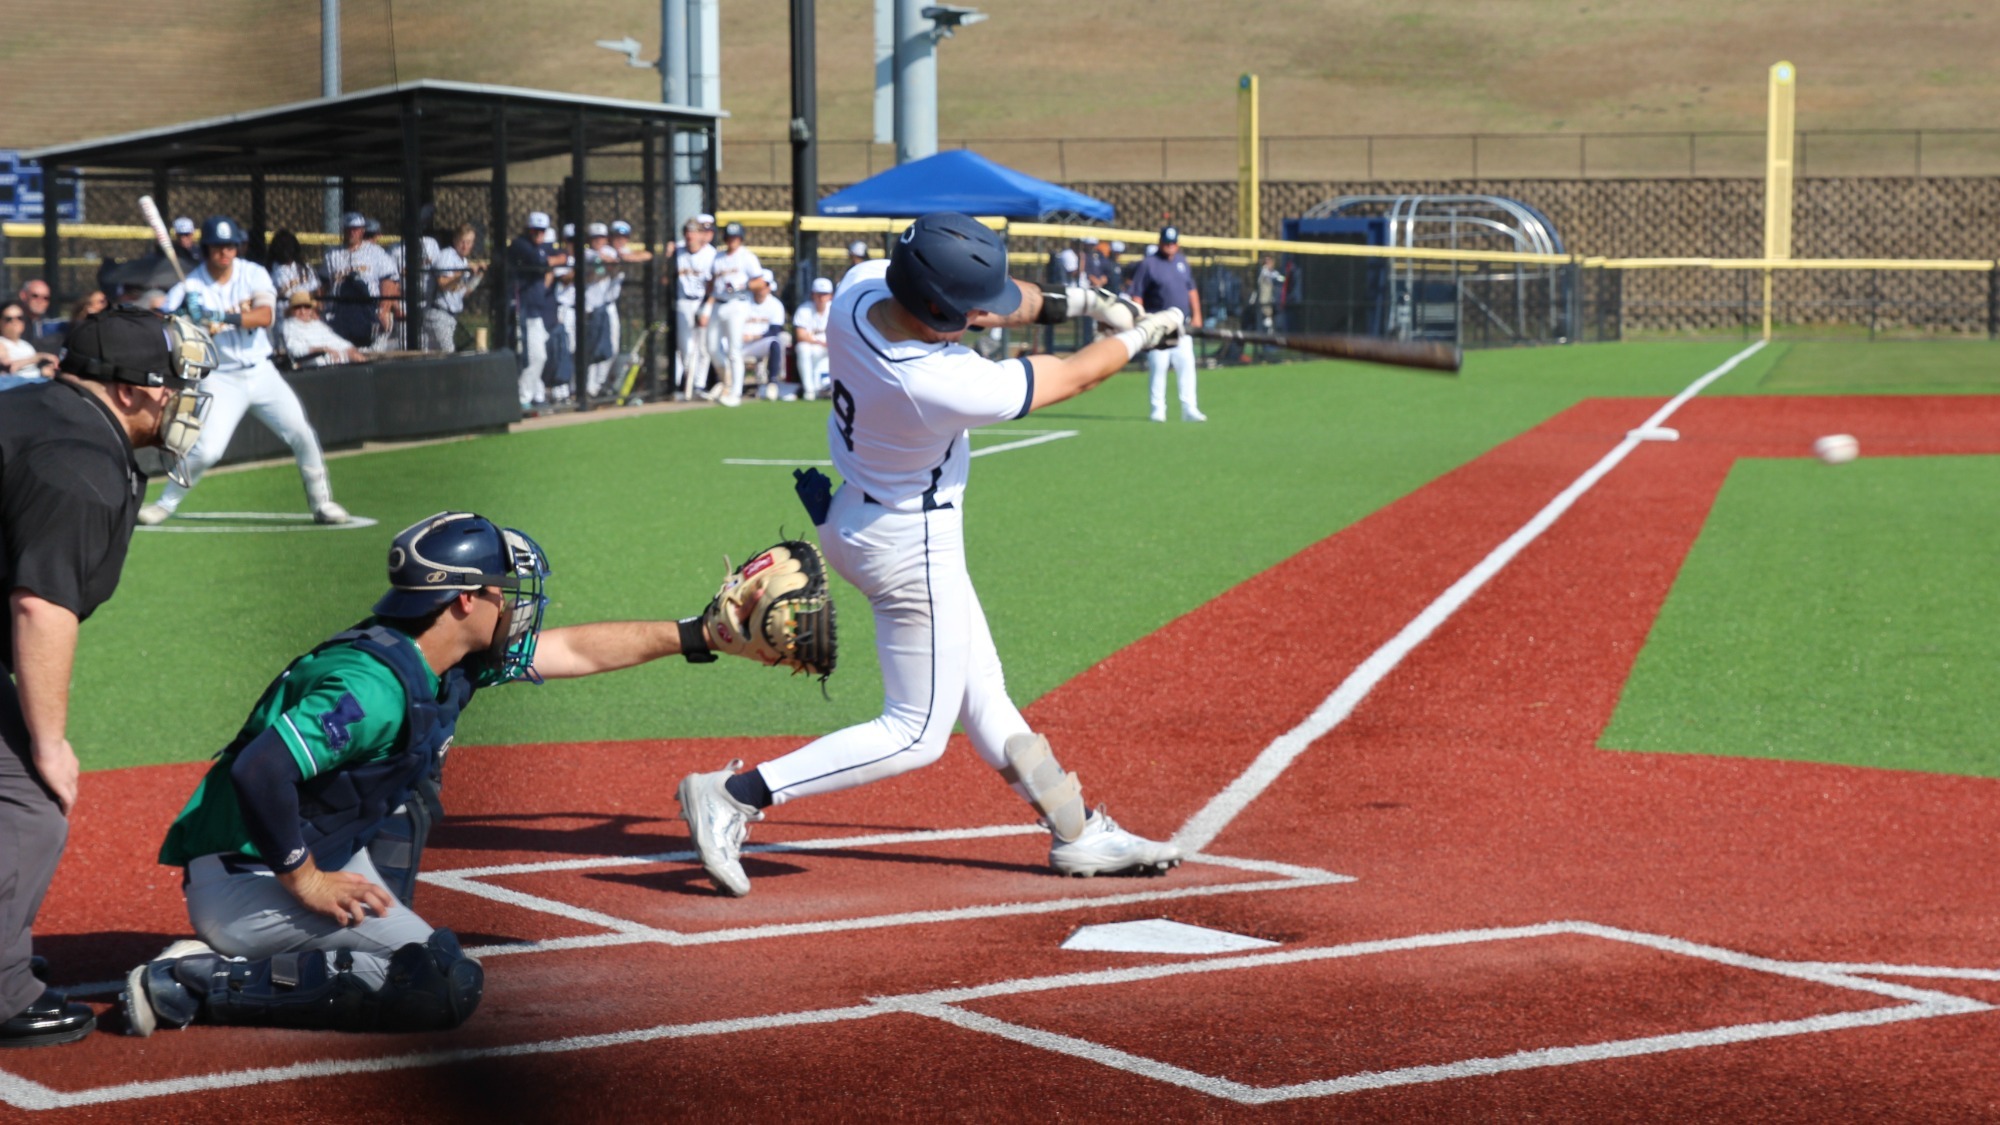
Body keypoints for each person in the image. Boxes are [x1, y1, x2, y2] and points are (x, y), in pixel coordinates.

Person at [119, 510, 802, 1036]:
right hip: (252, 877)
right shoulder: (375, 687)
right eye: (501, 589)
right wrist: (305, 877)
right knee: (439, 980)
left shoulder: (443, 658)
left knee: (412, 796)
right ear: (462, 602)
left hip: (292, 851)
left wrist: (698, 633)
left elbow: (576, 649)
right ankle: (195, 981)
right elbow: (260, 767)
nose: (517, 600)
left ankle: (259, 950)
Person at [677, 211, 1183, 898]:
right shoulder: (939, 381)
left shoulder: (859, 290)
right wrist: (1144, 333)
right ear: (941, 313)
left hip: (860, 517)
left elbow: (993, 308)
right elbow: (1069, 376)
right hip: (909, 548)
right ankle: (736, 793)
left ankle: (1076, 830)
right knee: (916, 732)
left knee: (984, 691)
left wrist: (1088, 300)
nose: (982, 316)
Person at [0, 308, 217, 1046]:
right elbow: (41, 605)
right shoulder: (79, 464)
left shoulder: (41, 409)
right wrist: (51, 740)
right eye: (175, 386)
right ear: (127, 390)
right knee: (29, 800)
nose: (183, 401)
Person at [142, 216, 350, 526]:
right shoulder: (191, 285)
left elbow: (265, 316)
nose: (224, 253)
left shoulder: (253, 273)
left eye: (229, 246)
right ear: (206, 249)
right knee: (207, 451)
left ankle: (322, 503)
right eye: (217, 247)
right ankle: (164, 504)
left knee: (302, 434)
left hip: (262, 373)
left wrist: (217, 315)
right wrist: (182, 317)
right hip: (221, 377)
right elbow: (162, 330)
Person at [1125, 226, 1205, 423]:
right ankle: (1158, 409)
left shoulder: (1182, 262)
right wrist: (1140, 319)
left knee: (1186, 365)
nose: (1170, 246)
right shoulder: (1149, 264)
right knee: (1159, 366)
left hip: (1181, 324)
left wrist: (1197, 315)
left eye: (1173, 243)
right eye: (1167, 243)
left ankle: (1189, 408)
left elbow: (1191, 290)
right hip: (1158, 324)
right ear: (1160, 243)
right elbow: (1137, 294)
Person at [701, 221, 761, 407]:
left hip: (737, 303)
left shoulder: (747, 257)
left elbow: (759, 281)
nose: (732, 241)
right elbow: (711, 284)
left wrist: (741, 285)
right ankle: (727, 380)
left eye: (735, 237)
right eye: (729, 237)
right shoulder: (718, 258)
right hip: (718, 304)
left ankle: (736, 392)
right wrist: (706, 304)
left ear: (741, 238)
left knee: (734, 350)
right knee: (711, 346)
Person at [506, 212, 560, 409]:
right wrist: (555, 259)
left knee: (539, 356)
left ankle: (532, 396)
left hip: (535, 311)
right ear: (528, 230)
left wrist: (555, 259)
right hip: (523, 311)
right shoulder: (521, 245)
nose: (538, 234)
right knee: (532, 356)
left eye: (542, 231)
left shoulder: (540, 248)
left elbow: (557, 257)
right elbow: (540, 262)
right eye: (535, 230)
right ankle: (523, 399)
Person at [322, 213, 400, 349]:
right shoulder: (331, 254)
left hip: (370, 312)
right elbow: (323, 285)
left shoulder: (376, 252)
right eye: (349, 228)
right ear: (343, 230)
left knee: (372, 356)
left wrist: (383, 310)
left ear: (363, 230)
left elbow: (389, 282)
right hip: (340, 313)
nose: (352, 232)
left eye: (356, 229)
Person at [672, 215, 715, 399]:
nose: (691, 236)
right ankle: (685, 385)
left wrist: (706, 307)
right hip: (683, 301)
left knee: (703, 347)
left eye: (694, 232)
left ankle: (698, 385)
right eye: (688, 232)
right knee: (685, 347)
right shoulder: (678, 252)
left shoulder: (710, 254)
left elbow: (713, 284)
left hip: (702, 300)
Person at [425, 224, 483, 353]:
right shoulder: (447, 256)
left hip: (451, 317)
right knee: (448, 354)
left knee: (435, 355)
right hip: (438, 313)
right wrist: (462, 272)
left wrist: (477, 276)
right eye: (462, 241)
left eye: (469, 242)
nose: (465, 246)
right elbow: (443, 284)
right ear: (455, 240)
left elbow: (464, 293)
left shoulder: (462, 261)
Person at [740, 269, 790, 399]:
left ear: (769, 287)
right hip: (738, 342)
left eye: (765, 285)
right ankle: (720, 382)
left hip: (758, 343)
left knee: (775, 341)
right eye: (759, 284)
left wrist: (752, 337)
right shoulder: (743, 300)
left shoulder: (775, 304)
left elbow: (775, 330)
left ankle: (772, 382)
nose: (761, 288)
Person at [282, 290, 365, 367]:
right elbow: (295, 350)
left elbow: (336, 341)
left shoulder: (317, 325)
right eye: (298, 307)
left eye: (306, 306)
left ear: (311, 309)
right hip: (310, 365)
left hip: (333, 364)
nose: (303, 311)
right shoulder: (289, 326)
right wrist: (320, 350)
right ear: (291, 310)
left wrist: (351, 351)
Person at [791, 276, 834, 401]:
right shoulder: (804, 309)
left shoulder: (835, 308)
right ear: (813, 295)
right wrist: (819, 342)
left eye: (825, 294)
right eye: (818, 294)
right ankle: (809, 390)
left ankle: (828, 387)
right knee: (803, 348)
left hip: (831, 346)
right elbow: (800, 335)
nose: (821, 298)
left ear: (830, 295)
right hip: (814, 345)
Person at [0, 301, 59, 383]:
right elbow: (9, 367)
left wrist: (44, 371)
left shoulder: (26, 345)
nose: (15, 322)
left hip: (34, 385)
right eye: (9, 319)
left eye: (19, 318)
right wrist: (39, 357)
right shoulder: (2, 342)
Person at [267, 231, 320, 304]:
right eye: (282, 246)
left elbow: (316, 290)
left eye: (288, 246)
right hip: (281, 313)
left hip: (305, 311)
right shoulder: (269, 272)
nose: (285, 250)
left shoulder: (306, 268)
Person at [16, 280, 62, 344]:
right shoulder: (12, 320)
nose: (40, 301)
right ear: (23, 295)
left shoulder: (49, 325)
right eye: (35, 296)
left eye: (46, 298)